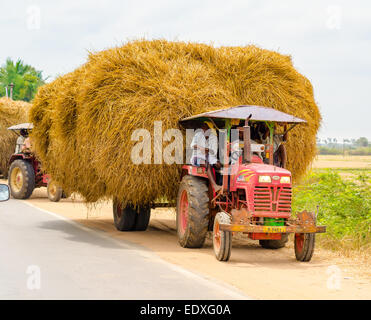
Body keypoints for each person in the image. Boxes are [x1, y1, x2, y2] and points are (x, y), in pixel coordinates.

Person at [190, 121, 222, 192]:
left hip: (209, 156)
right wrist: (200, 147)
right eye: (203, 128)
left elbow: (213, 151)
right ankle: (214, 186)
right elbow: (192, 145)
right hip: (197, 156)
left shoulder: (213, 137)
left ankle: (221, 185)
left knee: (219, 165)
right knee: (206, 164)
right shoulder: (198, 135)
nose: (203, 130)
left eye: (205, 128)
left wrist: (206, 150)